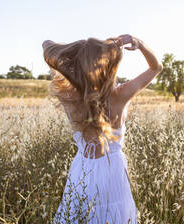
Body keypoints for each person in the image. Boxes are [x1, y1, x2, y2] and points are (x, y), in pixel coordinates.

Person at [42, 34, 163, 224]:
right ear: (108, 64)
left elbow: (47, 45)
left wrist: (77, 49)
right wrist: (136, 43)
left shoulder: (70, 98)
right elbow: (156, 67)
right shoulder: (121, 95)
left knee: (78, 215)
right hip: (112, 172)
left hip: (82, 171)